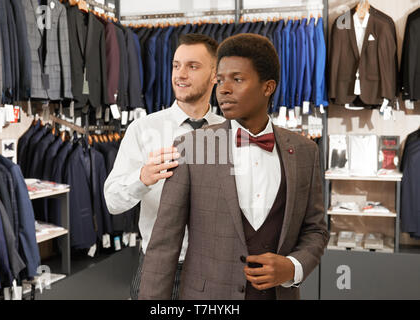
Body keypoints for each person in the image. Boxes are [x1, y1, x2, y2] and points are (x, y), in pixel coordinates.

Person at [138, 33, 328, 300]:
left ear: (268, 87)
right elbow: (165, 243)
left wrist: (293, 267)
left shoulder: (305, 152)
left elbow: (316, 228)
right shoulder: (191, 147)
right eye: (220, 80)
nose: (223, 89)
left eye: (237, 79)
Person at [104, 33, 225, 300]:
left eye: (192, 66)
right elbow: (112, 201)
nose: (180, 74)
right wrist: (142, 177)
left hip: (216, 270)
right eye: (176, 65)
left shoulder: (230, 134)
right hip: (158, 268)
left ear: (215, 75)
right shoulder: (143, 129)